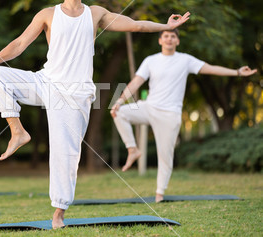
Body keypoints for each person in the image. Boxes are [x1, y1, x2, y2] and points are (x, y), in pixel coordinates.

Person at [0, 0, 190, 228]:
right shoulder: (47, 14)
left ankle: (58, 212)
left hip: (75, 93)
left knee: (65, 153)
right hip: (46, 81)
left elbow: (135, 25)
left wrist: (164, 25)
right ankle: (17, 131)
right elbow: (20, 44)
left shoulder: (95, 14)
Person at [110, 29, 257, 203]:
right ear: (160, 41)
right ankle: (132, 149)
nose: (169, 39)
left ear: (177, 41)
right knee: (118, 112)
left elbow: (210, 68)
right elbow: (136, 82)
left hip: (170, 115)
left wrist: (237, 72)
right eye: (166, 36)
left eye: (173, 36)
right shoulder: (151, 61)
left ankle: (159, 194)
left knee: (165, 155)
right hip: (149, 107)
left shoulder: (185, 60)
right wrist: (119, 101)